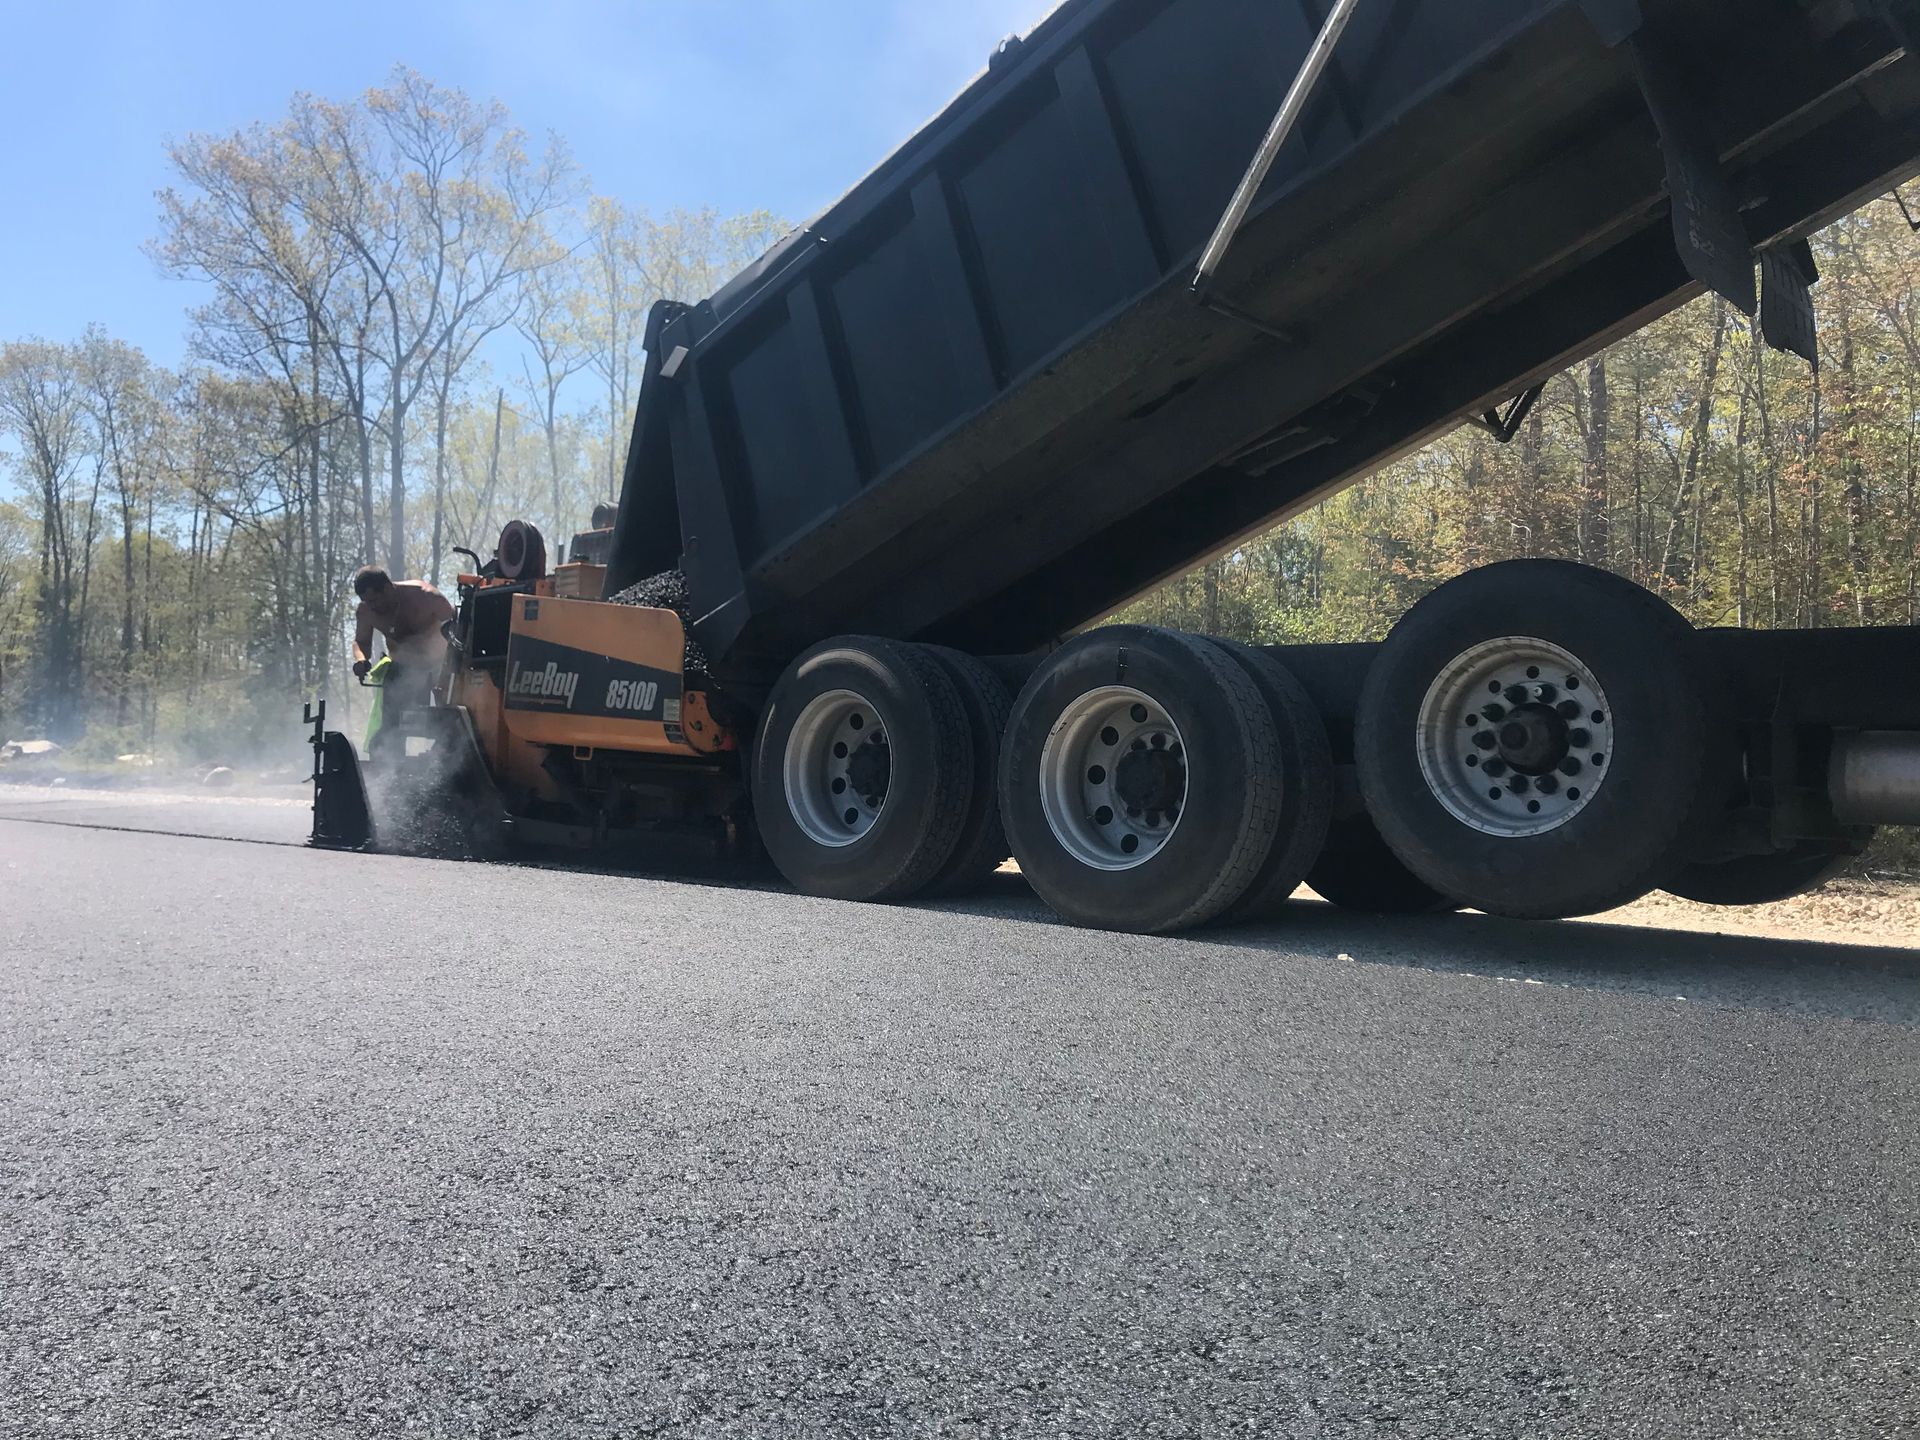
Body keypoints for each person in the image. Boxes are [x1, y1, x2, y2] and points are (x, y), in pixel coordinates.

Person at [351, 565, 454, 720]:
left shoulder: (427, 597)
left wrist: (453, 667)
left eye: (374, 600)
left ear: (387, 588)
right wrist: (361, 660)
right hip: (401, 671)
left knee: (447, 723)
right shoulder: (365, 611)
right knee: (390, 727)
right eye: (366, 601)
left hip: (439, 669)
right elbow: (361, 642)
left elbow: (459, 629)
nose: (371, 606)